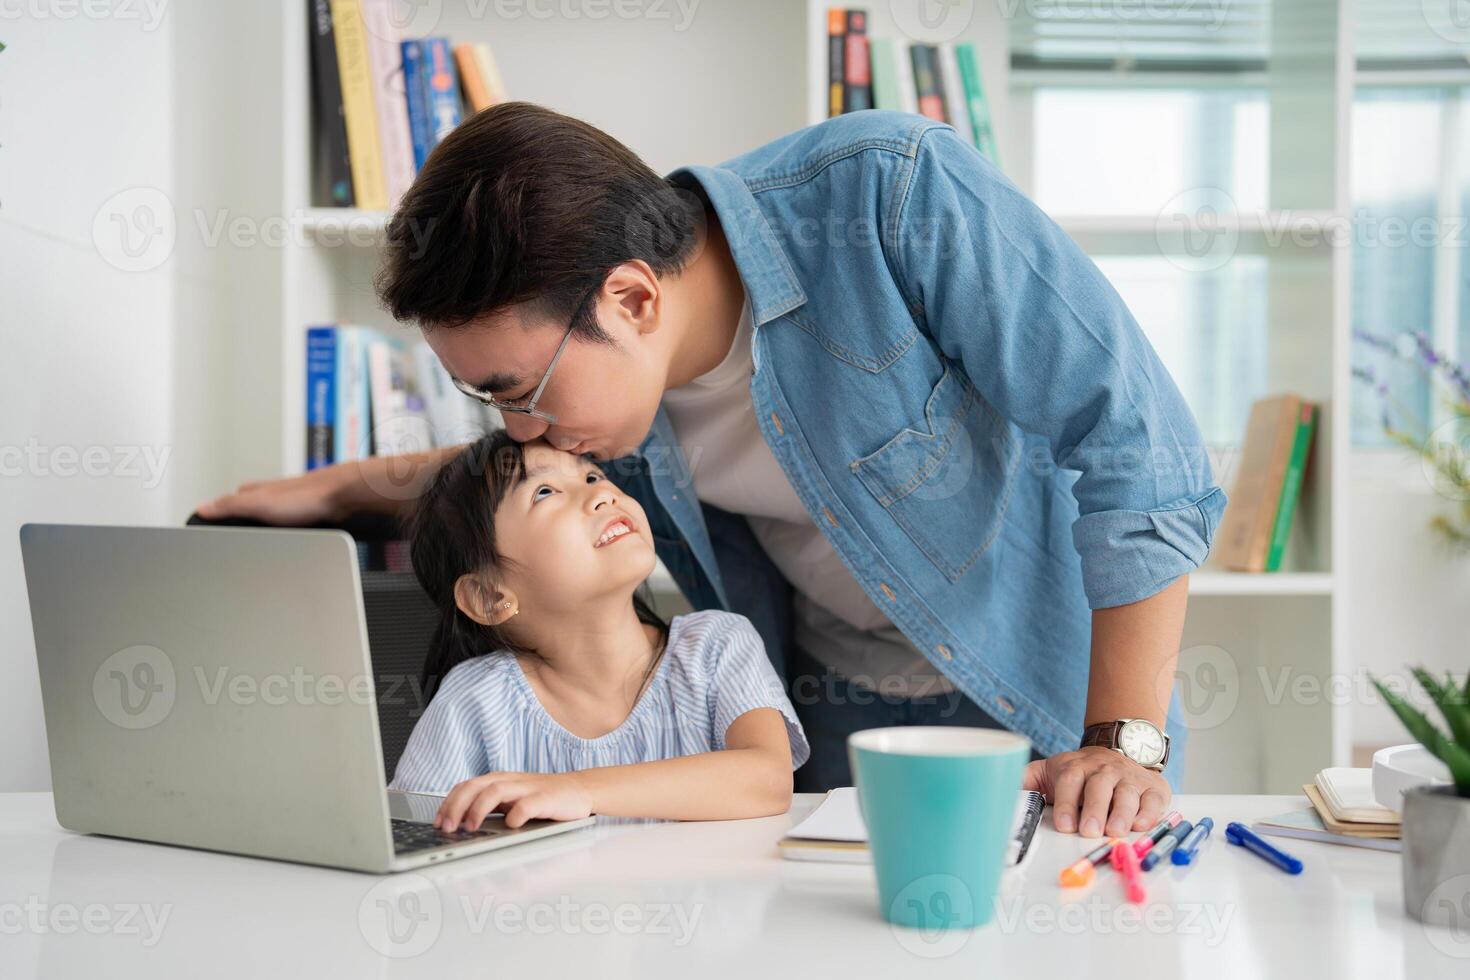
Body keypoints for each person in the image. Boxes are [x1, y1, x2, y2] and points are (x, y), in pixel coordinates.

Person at [198, 103, 1225, 841]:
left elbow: (1141, 448)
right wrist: (335, 489)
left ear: (633, 299)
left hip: (1052, 698)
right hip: (830, 712)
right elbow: (501, 483)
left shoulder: (887, 190)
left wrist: (1120, 737)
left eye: (518, 388)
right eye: (492, 404)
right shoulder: (607, 406)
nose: (524, 429)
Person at [389, 431, 808, 828]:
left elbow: (768, 781)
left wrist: (577, 790)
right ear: (489, 597)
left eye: (592, 475)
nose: (602, 493)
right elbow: (411, 832)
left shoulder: (717, 646)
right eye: (545, 491)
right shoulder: (475, 700)